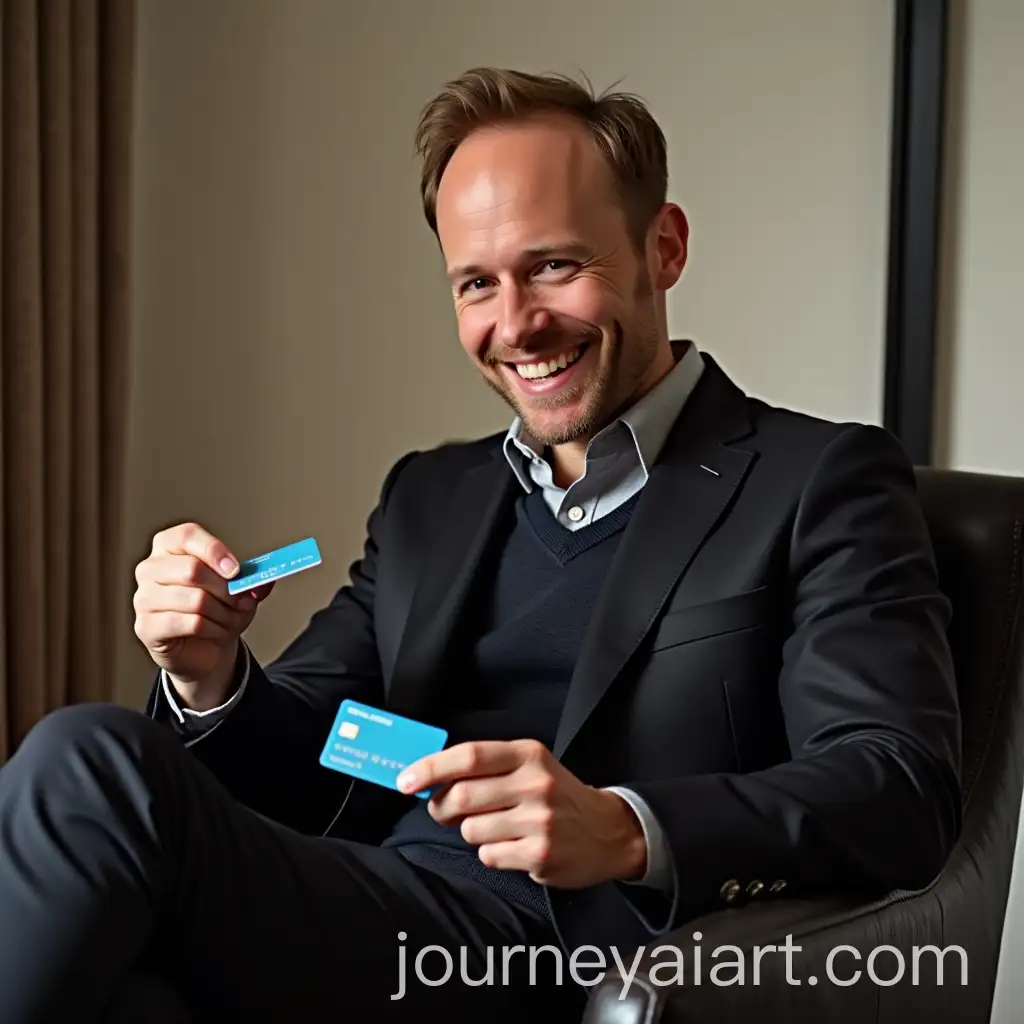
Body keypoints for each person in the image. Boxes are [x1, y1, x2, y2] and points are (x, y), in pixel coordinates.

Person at [0, 66, 962, 1023]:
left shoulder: (817, 481)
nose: (516, 324)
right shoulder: (431, 498)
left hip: (555, 959)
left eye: (553, 266)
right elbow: (327, 748)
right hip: (369, 912)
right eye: (476, 283)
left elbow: (896, 785)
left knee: (87, 762)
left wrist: (626, 828)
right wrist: (209, 678)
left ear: (661, 248)